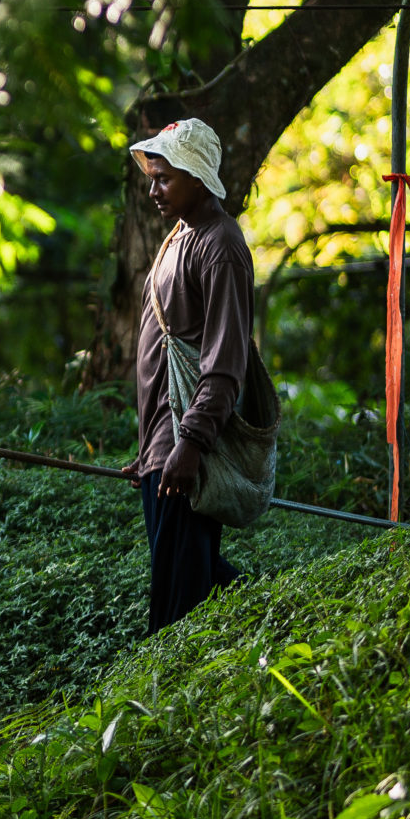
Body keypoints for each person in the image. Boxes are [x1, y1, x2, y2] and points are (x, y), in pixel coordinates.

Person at [123, 117, 253, 634]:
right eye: (151, 177)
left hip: (184, 451)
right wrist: (149, 451)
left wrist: (190, 444)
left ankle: (166, 701)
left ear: (197, 178)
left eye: (164, 178)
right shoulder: (180, 236)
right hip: (163, 447)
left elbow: (224, 367)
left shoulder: (220, 246)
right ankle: (263, 613)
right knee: (182, 575)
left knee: (178, 605)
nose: (153, 189)